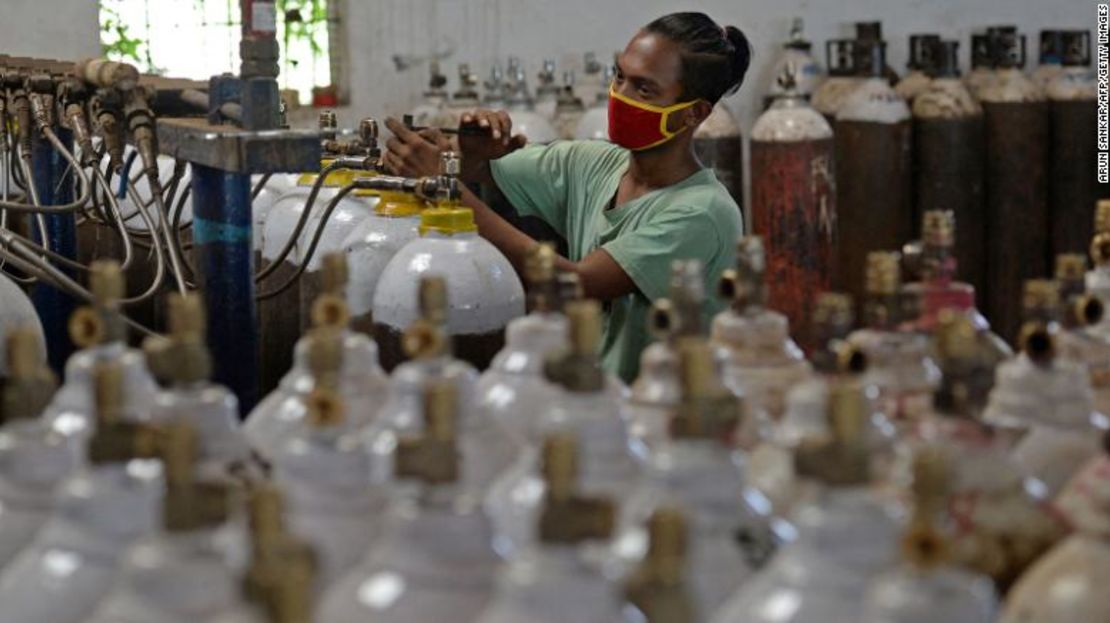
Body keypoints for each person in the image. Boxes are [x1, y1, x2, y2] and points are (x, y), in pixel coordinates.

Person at [382, 12, 751, 383]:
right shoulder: (595, 163)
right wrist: (467, 153)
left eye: (644, 89)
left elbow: (579, 285)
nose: (620, 96)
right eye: (619, 76)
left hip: (664, 414)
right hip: (592, 392)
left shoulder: (703, 214)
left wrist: (448, 188)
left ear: (694, 113)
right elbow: (480, 170)